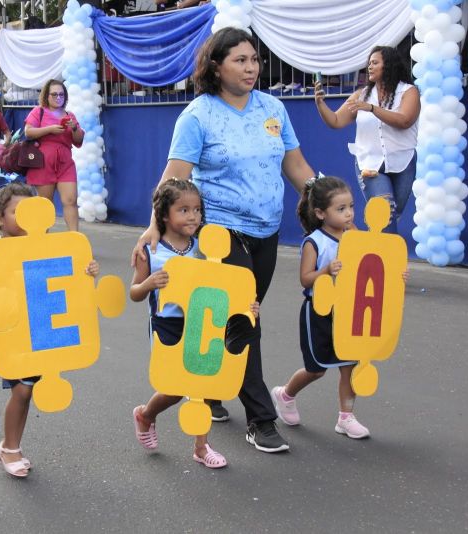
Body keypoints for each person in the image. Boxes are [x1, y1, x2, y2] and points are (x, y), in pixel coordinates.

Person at [133, 28, 316, 453]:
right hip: (218, 233)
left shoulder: (272, 108)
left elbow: (297, 166)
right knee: (244, 319)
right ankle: (260, 420)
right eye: (240, 60)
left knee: (235, 319)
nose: (251, 68)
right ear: (216, 65)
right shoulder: (198, 115)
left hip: (267, 231)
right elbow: (175, 177)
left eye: (254, 59)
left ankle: (213, 387)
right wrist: (153, 226)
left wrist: (326, 199)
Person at [131, 179, 262, 468]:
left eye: (197, 210)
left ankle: (201, 448)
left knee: (200, 383)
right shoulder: (150, 249)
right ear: (164, 215)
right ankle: (146, 415)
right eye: (184, 210)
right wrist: (149, 283)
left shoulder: (205, 249)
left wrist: (248, 306)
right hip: (166, 325)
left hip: (201, 323)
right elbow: (134, 292)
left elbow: (225, 287)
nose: (193, 216)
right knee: (175, 388)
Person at [0, 183, 100, 478]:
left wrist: (87, 271)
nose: (28, 216)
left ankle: (10, 445)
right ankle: (10, 447)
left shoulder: (53, 247)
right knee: (22, 390)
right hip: (15, 334)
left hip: (44, 331)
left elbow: (69, 283)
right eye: (19, 211)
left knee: (26, 391)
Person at [270, 176, 372, 439]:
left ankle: (346, 418)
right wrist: (325, 271)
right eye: (341, 209)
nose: (349, 213)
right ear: (320, 213)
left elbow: (371, 266)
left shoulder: (355, 235)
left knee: (350, 365)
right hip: (319, 311)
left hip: (348, 311)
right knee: (316, 369)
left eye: (350, 206)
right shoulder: (314, 241)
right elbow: (305, 279)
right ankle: (285, 394)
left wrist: (395, 275)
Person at [314, 45, 420, 235]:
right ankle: (390, 260)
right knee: (384, 211)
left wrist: (371, 108)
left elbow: (404, 120)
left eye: (375, 63)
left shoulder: (408, 92)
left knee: (391, 214)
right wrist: (320, 104)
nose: (369, 67)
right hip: (368, 162)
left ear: (389, 65)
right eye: (369, 63)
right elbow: (336, 121)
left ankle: (374, 252)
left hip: (403, 161)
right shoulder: (361, 95)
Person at [23, 80, 84, 232]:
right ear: (47, 96)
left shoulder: (70, 115)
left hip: (65, 162)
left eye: (61, 94)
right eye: (54, 94)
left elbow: (79, 140)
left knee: (70, 200)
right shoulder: (39, 111)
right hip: (43, 162)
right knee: (46, 204)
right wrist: (49, 129)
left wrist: (75, 127)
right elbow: (28, 132)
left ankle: (74, 238)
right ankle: (43, 239)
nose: (58, 97)